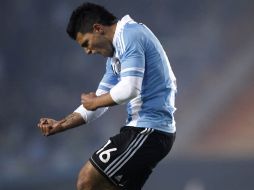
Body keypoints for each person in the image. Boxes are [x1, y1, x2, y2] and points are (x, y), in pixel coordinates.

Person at [37, 2, 177, 190]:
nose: (87, 51)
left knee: (87, 180)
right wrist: (59, 124)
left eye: (86, 43)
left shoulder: (130, 35)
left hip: (149, 130)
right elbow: (98, 105)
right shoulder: (115, 57)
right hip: (149, 132)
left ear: (97, 29)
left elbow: (129, 89)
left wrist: (95, 101)